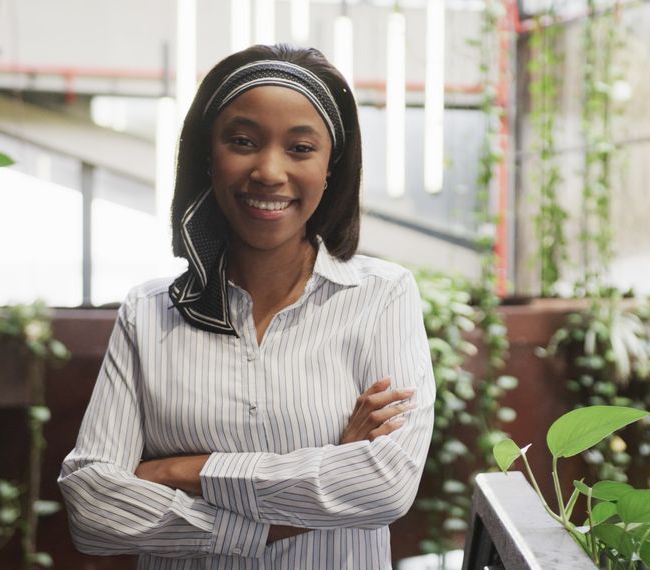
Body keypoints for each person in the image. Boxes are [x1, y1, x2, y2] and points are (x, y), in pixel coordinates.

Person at [58, 43, 435, 569]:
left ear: (331, 167)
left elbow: (384, 486)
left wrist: (181, 471)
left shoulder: (382, 295)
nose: (269, 171)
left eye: (301, 148)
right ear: (208, 158)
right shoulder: (147, 312)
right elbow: (93, 508)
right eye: (243, 141)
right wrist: (322, 475)